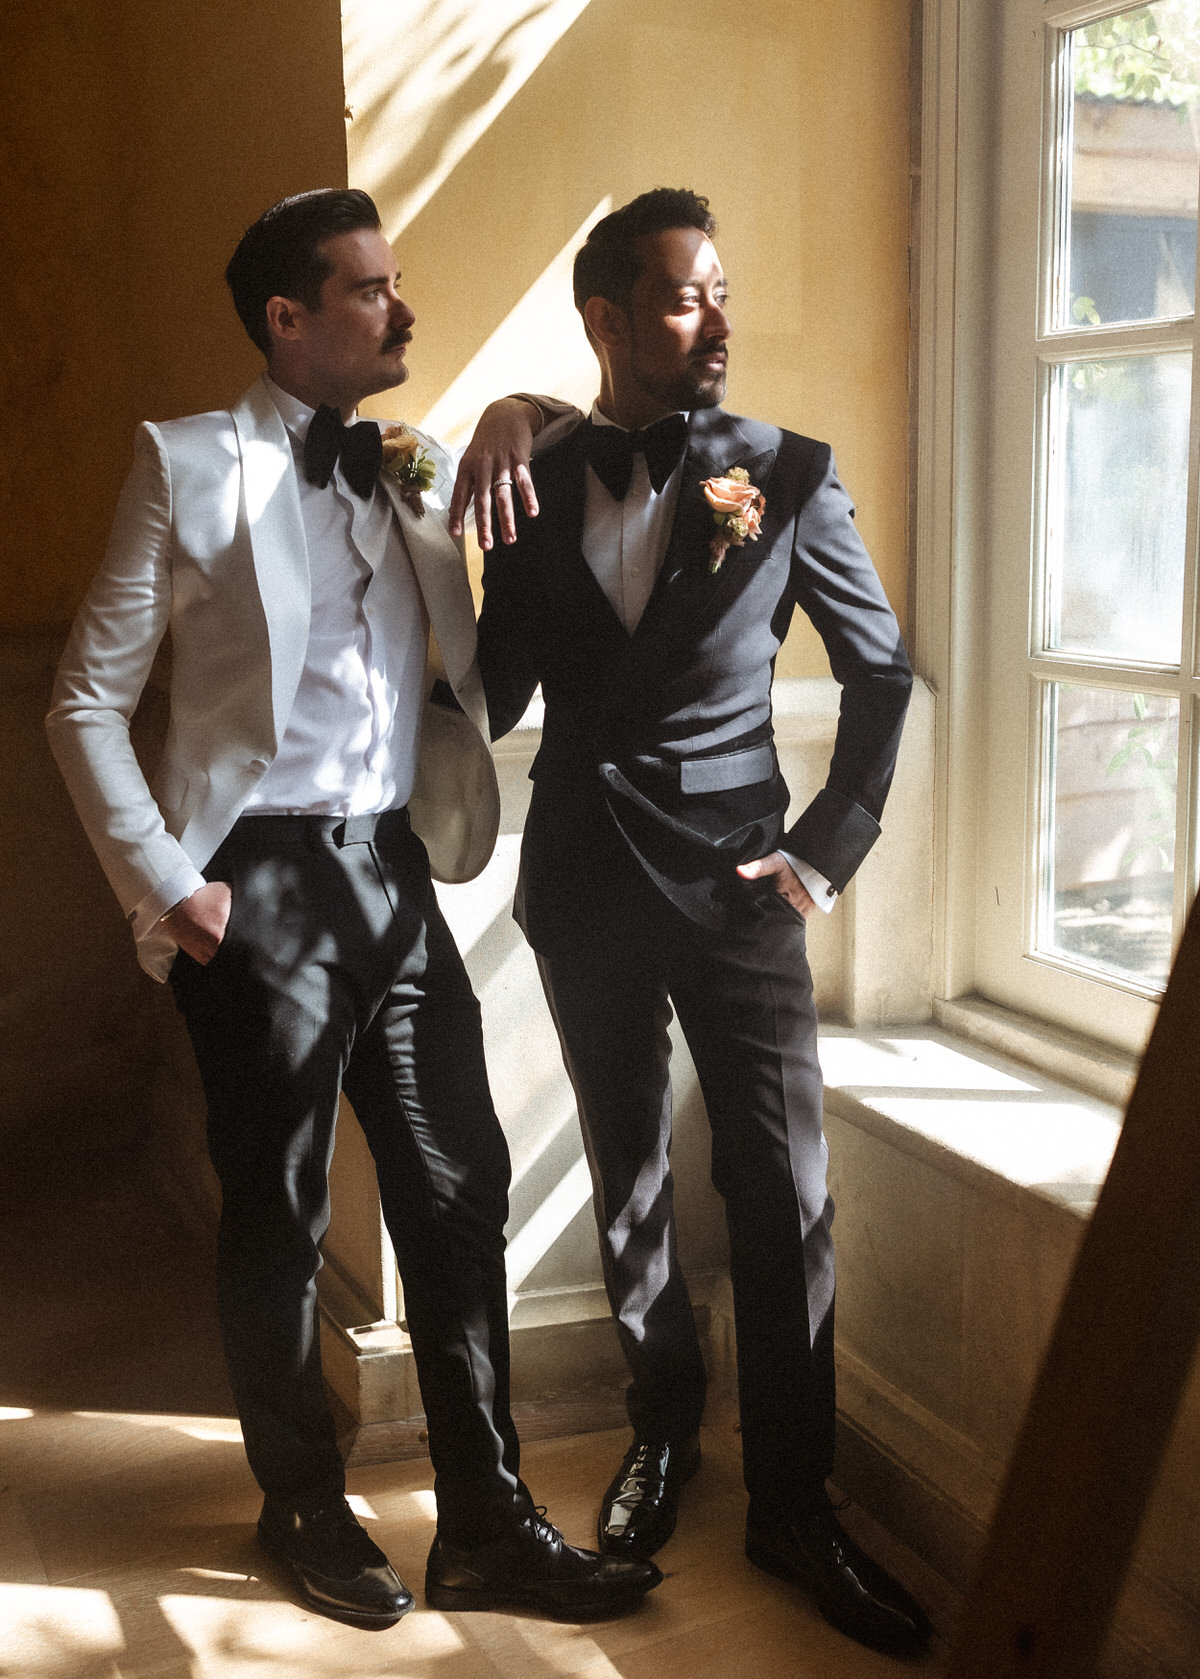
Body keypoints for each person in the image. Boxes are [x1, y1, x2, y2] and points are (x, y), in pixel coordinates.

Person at [46, 188, 660, 1631]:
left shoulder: (409, 462)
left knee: (459, 1186)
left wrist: (515, 401)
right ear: (289, 318)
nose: (402, 308)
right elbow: (81, 700)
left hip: (393, 867)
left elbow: (584, 441)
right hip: (253, 877)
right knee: (278, 1210)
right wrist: (173, 887)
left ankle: (488, 1520)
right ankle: (303, 1506)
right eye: (372, 290)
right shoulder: (186, 465)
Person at [469, 188, 930, 1656]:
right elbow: (489, 691)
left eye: (721, 291)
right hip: (584, 882)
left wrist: (819, 856)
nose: (718, 319)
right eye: (684, 298)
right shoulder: (533, 479)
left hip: (741, 894)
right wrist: (473, 447)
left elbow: (881, 673)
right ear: (605, 321)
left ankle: (796, 1505)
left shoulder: (785, 475)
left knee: (782, 1196)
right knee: (626, 1177)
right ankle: (662, 1432)